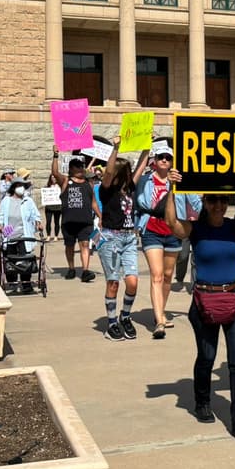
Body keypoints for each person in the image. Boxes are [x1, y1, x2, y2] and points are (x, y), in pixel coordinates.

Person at [164, 178, 235, 441]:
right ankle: (202, 401)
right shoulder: (195, 229)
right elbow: (172, 223)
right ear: (204, 202)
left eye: (222, 200)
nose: (219, 205)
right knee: (207, 357)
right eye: (213, 200)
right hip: (204, 301)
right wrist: (173, 189)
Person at [91, 139, 140, 341]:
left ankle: (125, 316)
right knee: (113, 282)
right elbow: (109, 173)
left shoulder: (129, 189)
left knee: (132, 282)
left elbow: (141, 167)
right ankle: (111, 322)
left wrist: (147, 147)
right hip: (111, 238)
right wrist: (116, 149)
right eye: (126, 171)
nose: (130, 174)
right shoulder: (106, 189)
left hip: (129, 237)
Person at [136, 142, 182, 339]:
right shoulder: (145, 180)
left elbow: (192, 201)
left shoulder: (178, 180)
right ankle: (159, 322)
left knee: (168, 275)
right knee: (156, 274)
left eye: (168, 158)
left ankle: (160, 311)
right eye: (161, 156)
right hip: (151, 229)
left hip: (172, 230)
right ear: (154, 160)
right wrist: (145, 149)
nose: (164, 160)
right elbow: (134, 176)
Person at [50, 150, 96, 281]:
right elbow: (54, 172)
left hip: (85, 221)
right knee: (69, 246)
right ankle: (71, 268)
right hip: (69, 222)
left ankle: (86, 271)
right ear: (71, 169)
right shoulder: (65, 181)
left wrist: (100, 216)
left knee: (85, 244)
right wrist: (55, 155)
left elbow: (93, 202)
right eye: (77, 166)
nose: (81, 168)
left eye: (81, 166)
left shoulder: (89, 184)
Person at [0, 176, 42, 294]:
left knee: (25, 259)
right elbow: (0, 215)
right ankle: (12, 282)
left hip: (23, 232)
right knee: (10, 259)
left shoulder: (28, 201)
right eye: (19, 185)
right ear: (14, 187)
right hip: (9, 230)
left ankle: (26, 284)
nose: (21, 188)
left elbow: (36, 214)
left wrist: (38, 223)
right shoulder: (6, 200)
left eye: (23, 186)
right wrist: (0, 225)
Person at [43, 172, 63, 239]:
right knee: (48, 221)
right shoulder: (47, 187)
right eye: (52, 177)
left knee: (56, 222)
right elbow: (45, 195)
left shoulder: (60, 187)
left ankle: (56, 236)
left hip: (58, 207)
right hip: (49, 207)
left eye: (54, 177)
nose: (53, 179)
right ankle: (48, 235)